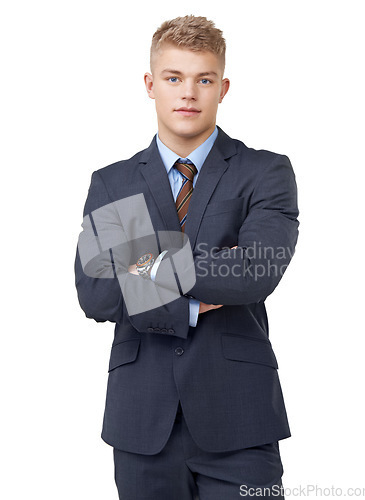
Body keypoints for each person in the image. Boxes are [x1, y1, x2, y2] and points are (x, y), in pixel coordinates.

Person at [74, 14, 299, 500]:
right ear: (151, 85)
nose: (188, 93)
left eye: (204, 79)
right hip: (142, 423)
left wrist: (140, 263)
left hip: (240, 421)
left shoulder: (263, 172)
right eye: (174, 78)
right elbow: (96, 291)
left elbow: (252, 273)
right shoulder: (114, 183)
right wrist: (195, 299)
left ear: (224, 87)